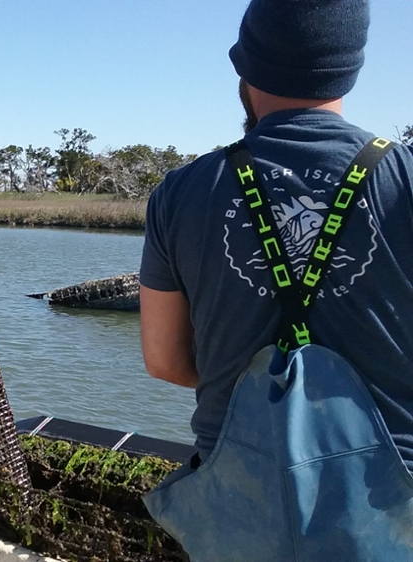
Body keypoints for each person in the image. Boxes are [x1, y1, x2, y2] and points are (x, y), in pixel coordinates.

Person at [139, 0, 413, 559]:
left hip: (236, 512)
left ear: (245, 67)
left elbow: (165, 361)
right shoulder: (405, 178)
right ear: (352, 69)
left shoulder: (181, 193)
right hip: (388, 517)